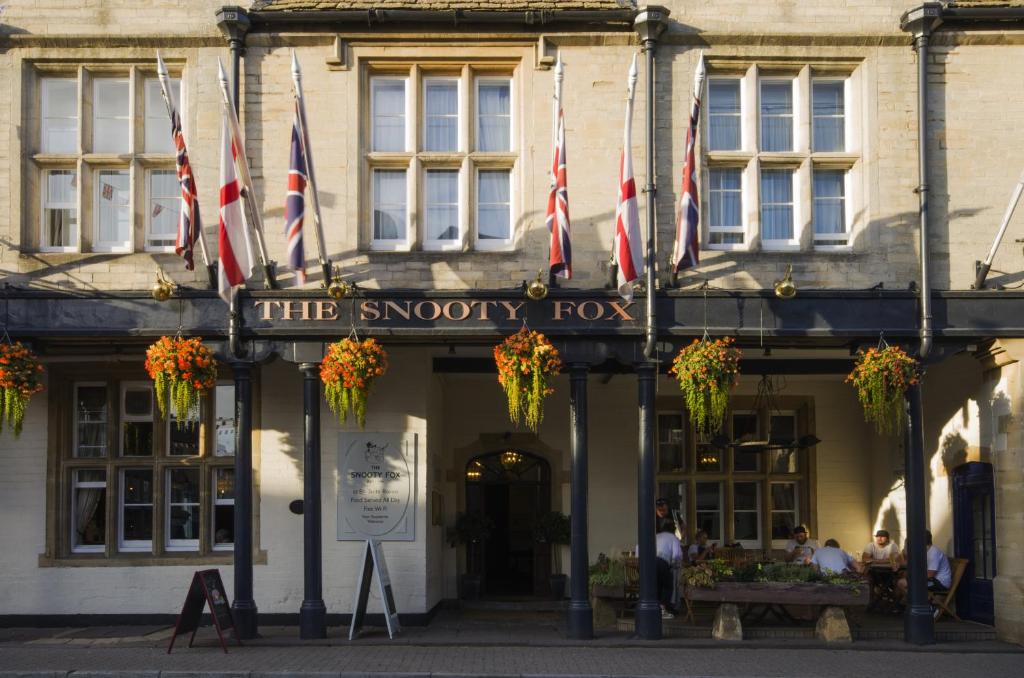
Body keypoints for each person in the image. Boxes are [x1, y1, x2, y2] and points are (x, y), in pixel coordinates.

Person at [897, 530, 952, 601]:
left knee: (901, 583)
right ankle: (917, 603)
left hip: (940, 582)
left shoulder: (933, 553)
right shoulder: (925, 551)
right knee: (903, 577)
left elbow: (930, 574)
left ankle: (919, 603)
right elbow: (911, 564)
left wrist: (913, 577)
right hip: (932, 580)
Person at [655, 519, 683, 619]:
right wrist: (674, 565)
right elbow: (677, 555)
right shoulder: (673, 538)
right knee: (667, 586)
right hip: (662, 561)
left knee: (656, 586)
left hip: (649, 562)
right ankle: (663, 609)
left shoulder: (656, 536)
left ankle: (656, 608)